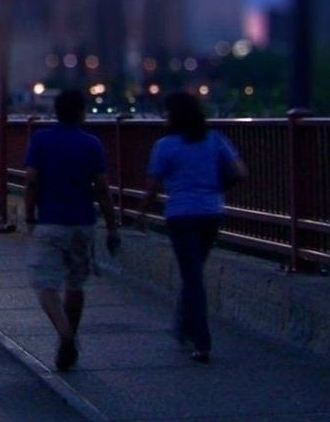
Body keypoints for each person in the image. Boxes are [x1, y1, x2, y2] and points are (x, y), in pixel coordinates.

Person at [140, 91, 246, 364]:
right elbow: (239, 171)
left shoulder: (165, 146)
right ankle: (183, 326)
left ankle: (201, 341)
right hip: (211, 212)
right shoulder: (214, 140)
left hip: (181, 214)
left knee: (192, 276)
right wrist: (217, 188)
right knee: (194, 271)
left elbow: (152, 186)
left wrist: (140, 213)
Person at [23, 88, 120, 372]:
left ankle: (65, 335)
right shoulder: (91, 144)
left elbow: (31, 182)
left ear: (55, 112)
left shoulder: (41, 140)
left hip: (51, 222)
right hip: (83, 223)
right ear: (81, 112)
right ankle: (70, 339)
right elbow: (102, 190)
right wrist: (112, 228)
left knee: (44, 283)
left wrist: (29, 216)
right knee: (75, 284)